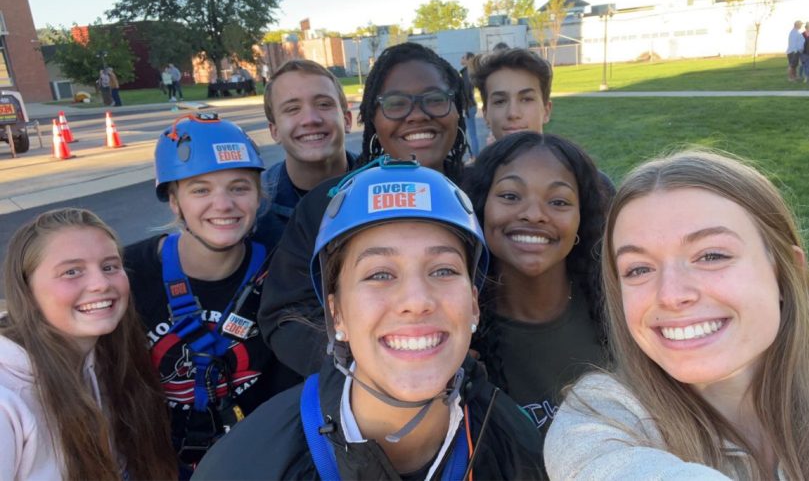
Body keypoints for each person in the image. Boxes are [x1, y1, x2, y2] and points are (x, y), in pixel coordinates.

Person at [545, 150, 809, 480]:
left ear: (786, 273)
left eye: (711, 256)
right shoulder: (597, 421)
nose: (670, 295)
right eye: (638, 269)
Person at [193, 158, 547, 480]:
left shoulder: (518, 448)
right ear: (337, 314)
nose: (416, 301)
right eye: (379, 274)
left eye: (442, 270)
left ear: (473, 304)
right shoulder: (243, 466)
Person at [258, 42, 469, 377]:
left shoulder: (486, 197)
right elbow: (285, 315)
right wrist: (367, 364)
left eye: (435, 99)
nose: (417, 115)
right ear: (373, 117)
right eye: (396, 104)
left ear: (458, 109)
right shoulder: (327, 204)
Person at [125, 113, 297, 476]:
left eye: (239, 187)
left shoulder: (284, 272)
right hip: (154, 463)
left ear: (258, 195)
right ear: (175, 202)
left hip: (254, 461)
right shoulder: (129, 274)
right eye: (200, 190)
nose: (223, 204)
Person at [1, 208, 177, 480]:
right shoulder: (6, 400)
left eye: (110, 267)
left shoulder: (108, 359)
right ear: (27, 290)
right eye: (72, 271)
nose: (100, 283)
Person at [462, 132, 614, 435]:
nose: (533, 215)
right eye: (510, 196)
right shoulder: (459, 337)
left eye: (558, 201)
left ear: (581, 220)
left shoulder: (617, 314)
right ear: (481, 208)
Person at [254, 59, 357, 251]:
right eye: (292, 109)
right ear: (274, 130)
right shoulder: (255, 205)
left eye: (324, 104)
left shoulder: (384, 187)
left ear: (347, 120)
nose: (310, 119)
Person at [471, 48, 553, 143]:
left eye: (526, 99)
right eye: (500, 101)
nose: (513, 113)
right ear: (486, 115)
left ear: (546, 111)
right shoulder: (484, 158)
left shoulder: (569, 157)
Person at [460, 51, 480, 156]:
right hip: (471, 105)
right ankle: (475, 156)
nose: (461, 59)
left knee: (472, 134)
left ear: (468, 60)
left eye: (463, 57)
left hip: (469, 106)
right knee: (473, 134)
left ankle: (474, 157)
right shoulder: (470, 72)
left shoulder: (466, 73)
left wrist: (466, 107)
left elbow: (466, 92)